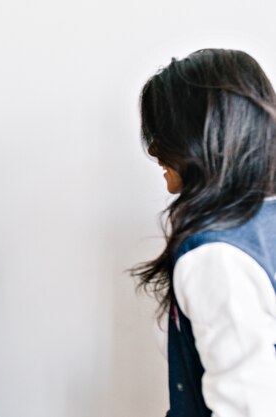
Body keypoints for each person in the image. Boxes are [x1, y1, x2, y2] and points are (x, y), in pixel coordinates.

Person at [134, 49, 276, 417]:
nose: (153, 150)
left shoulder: (214, 255)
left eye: (162, 134)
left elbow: (247, 408)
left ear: (201, 136)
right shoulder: (265, 220)